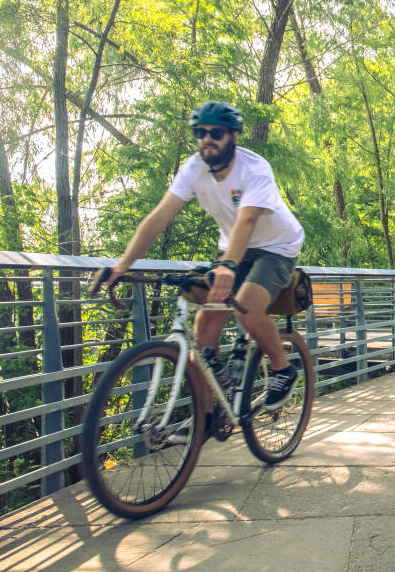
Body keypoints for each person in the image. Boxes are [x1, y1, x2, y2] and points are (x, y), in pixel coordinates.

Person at [92, 101, 305, 410]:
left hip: (276, 246)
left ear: (234, 136)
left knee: (246, 307)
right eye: (200, 132)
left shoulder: (255, 169)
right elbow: (159, 217)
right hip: (232, 246)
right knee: (204, 325)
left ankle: (283, 368)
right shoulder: (194, 169)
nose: (208, 139)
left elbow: (247, 220)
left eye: (216, 133)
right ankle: (205, 420)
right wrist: (122, 264)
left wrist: (228, 266)